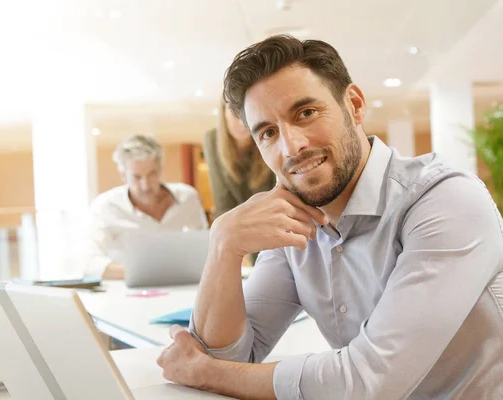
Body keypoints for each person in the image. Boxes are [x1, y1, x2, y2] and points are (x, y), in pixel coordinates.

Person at [157, 36, 503, 399]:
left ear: (354, 105)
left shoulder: (445, 200)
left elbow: (368, 382)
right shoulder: (292, 221)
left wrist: (206, 373)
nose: (291, 147)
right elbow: (223, 354)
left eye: (305, 113)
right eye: (269, 133)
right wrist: (223, 244)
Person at [84, 134, 208, 280]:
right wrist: (148, 274)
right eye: (136, 177)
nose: (146, 185)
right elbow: (90, 265)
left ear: (161, 169)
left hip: (181, 285)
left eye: (152, 174)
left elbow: (205, 249)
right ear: (123, 175)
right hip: (126, 290)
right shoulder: (105, 207)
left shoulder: (187, 198)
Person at [203, 97, 275, 219]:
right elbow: (222, 204)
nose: (243, 123)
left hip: (271, 221)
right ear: (223, 113)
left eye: (247, 115)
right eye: (235, 114)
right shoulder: (212, 140)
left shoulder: (269, 136)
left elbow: (276, 198)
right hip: (234, 225)